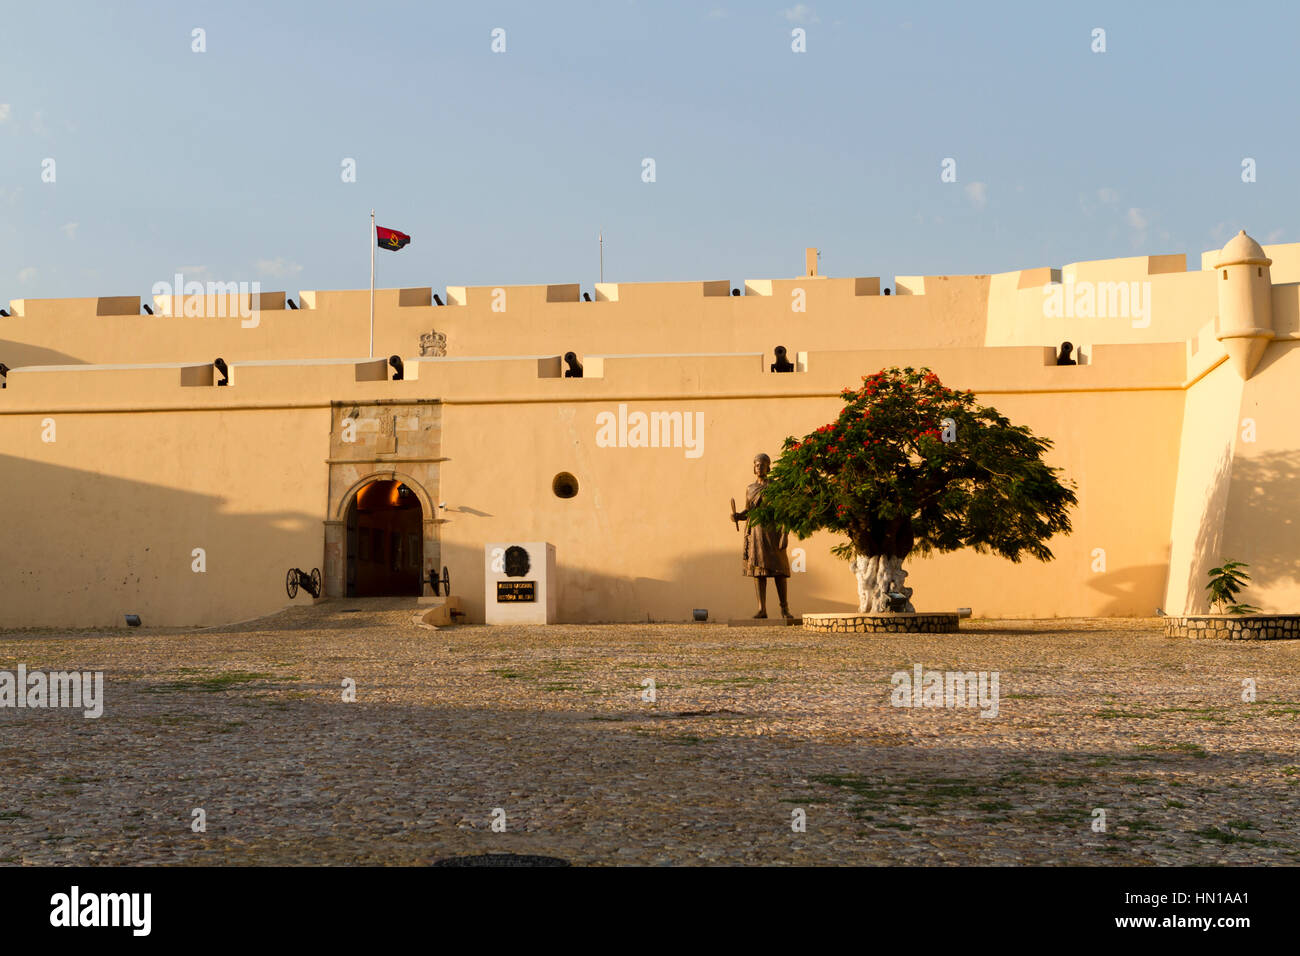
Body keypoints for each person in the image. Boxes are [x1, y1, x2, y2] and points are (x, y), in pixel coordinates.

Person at [730, 453, 794, 620]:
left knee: (779, 571)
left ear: (768, 467)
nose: (760, 467)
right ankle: (761, 609)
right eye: (757, 465)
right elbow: (749, 511)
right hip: (755, 533)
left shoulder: (775, 486)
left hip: (773, 532)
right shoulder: (750, 489)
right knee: (759, 572)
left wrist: (784, 535)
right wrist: (737, 516)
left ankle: (784, 609)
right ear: (754, 467)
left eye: (763, 465)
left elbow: (783, 511)